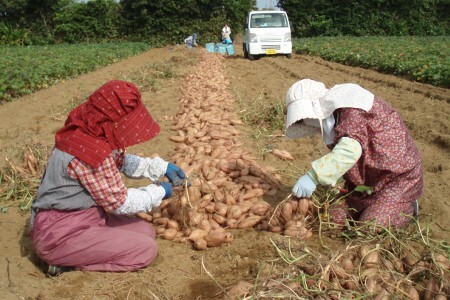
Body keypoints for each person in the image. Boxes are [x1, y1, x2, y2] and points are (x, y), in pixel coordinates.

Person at [29, 80, 188, 275]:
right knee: (145, 250)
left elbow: (118, 161)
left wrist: (160, 167)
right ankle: (63, 262)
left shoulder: (87, 129)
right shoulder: (89, 153)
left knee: (147, 231)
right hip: (61, 233)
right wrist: (160, 190)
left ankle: (84, 248)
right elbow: (120, 203)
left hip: (89, 215)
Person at [285, 79, 423, 229]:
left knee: (370, 227)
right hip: (364, 184)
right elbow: (346, 160)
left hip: (396, 179)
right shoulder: (333, 120)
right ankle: (372, 206)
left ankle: (406, 206)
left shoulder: (351, 110)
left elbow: (350, 151)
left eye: (304, 118)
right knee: (331, 221)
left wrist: (313, 176)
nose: (305, 122)